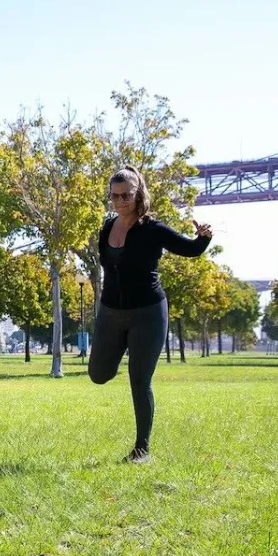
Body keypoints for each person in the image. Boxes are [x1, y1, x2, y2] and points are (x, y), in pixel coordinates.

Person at [87, 165, 212, 464]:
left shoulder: (153, 230)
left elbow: (192, 249)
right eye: (115, 196)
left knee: (139, 380)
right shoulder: (107, 226)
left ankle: (141, 449)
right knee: (98, 374)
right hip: (111, 311)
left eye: (126, 195)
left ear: (138, 193)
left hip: (147, 313)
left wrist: (204, 237)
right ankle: (121, 350)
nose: (120, 202)